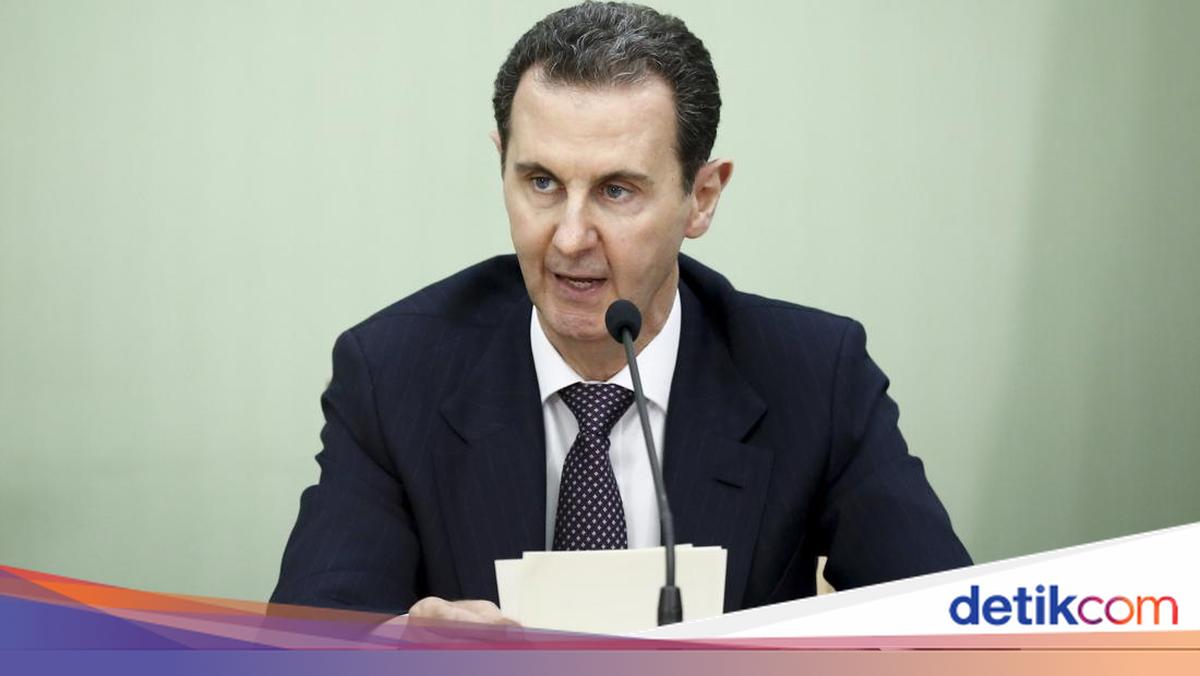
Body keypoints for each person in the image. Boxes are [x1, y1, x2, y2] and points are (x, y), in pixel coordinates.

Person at [270, 1, 971, 625]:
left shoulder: (815, 376)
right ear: (502, 167)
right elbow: (308, 640)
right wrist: (396, 648)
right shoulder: (393, 373)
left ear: (701, 198)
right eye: (541, 182)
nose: (570, 238)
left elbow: (956, 632)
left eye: (616, 191)